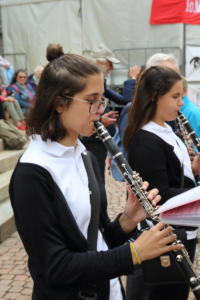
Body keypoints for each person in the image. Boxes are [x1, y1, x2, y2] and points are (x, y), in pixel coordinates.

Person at [9, 52, 181, 300]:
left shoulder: (83, 155)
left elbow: (95, 240)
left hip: (106, 291)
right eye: (92, 101)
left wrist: (126, 221)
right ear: (59, 103)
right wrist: (133, 253)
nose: (100, 110)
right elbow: (54, 266)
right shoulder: (31, 173)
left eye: (102, 100)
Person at [124, 66, 200, 300]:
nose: (181, 102)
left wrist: (195, 171)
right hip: (162, 238)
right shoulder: (146, 140)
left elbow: (177, 179)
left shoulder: (167, 129)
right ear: (155, 97)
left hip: (179, 232)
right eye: (175, 96)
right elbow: (161, 198)